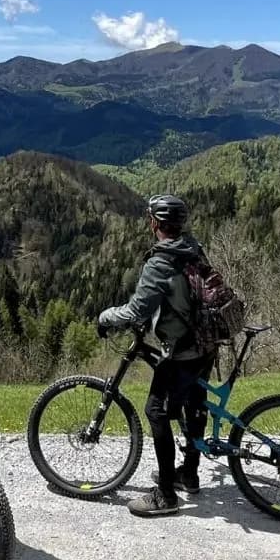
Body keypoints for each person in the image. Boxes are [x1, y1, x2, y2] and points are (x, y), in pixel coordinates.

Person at [97, 194, 210, 518]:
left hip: (182, 350)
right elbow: (181, 295)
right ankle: (188, 473)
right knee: (194, 403)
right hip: (205, 344)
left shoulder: (161, 261)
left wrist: (105, 318)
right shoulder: (192, 247)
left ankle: (165, 496)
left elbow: (135, 309)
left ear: (155, 223)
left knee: (156, 410)